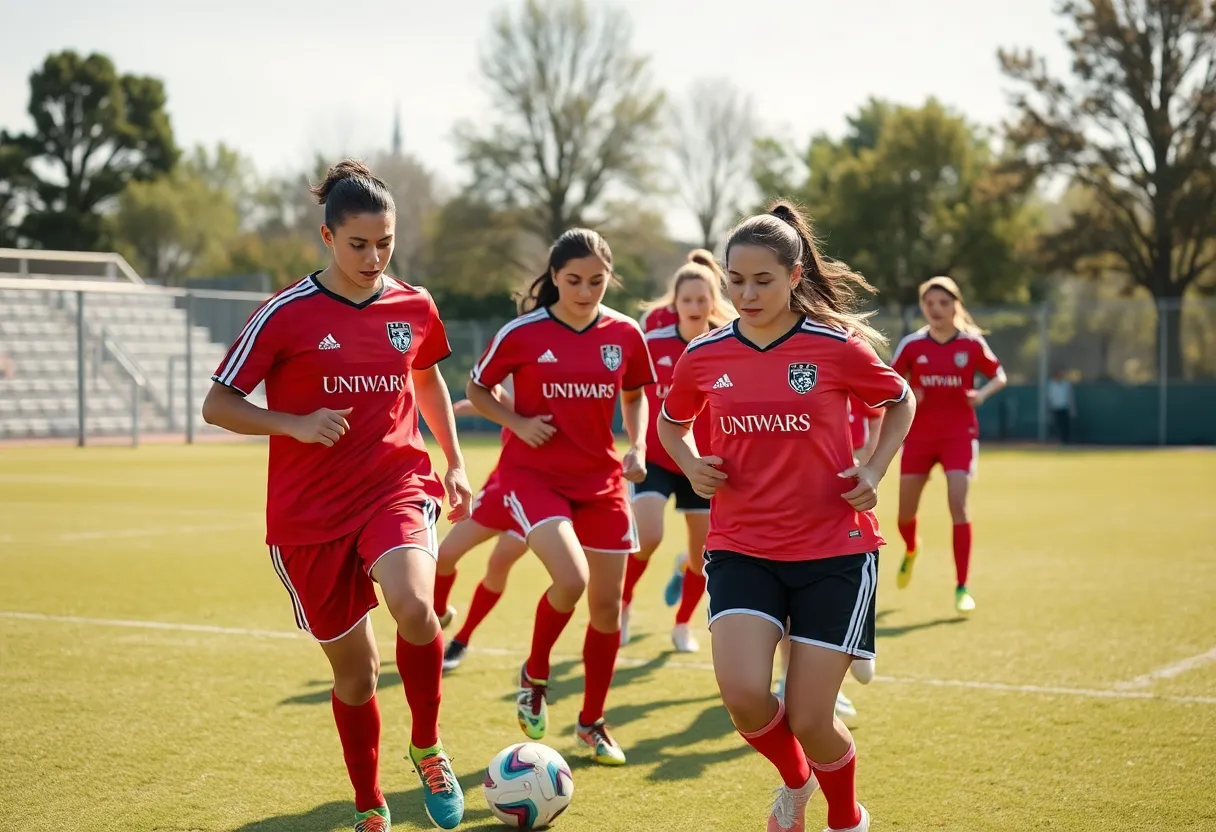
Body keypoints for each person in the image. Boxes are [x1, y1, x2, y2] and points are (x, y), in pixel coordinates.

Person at [200, 160, 471, 832]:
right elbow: (218, 404)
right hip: (308, 516)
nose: (374, 257)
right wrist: (291, 422)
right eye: (359, 244)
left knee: (415, 607)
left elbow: (430, 381)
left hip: (394, 487)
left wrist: (454, 460)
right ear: (327, 236)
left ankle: (429, 747)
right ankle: (368, 803)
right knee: (357, 674)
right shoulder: (284, 314)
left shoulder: (414, 305)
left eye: (385, 243)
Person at [659, 200, 915, 832]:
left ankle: (845, 816)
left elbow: (901, 399)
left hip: (834, 550)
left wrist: (874, 469)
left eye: (762, 280)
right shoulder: (706, 354)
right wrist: (691, 465)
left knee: (809, 717)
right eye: (735, 280)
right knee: (745, 696)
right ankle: (796, 783)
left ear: (795, 275)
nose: (746, 293)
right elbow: (671, 422)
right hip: (743, 545)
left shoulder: (836, 347)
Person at [466, 228, 654, 766]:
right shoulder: (522, 332)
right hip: (534, 477)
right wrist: (516, 422)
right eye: (573, 280)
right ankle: (536, 673)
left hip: (601, 482)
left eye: (597, 281)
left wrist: (637, 445)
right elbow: (478, 388)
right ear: (553, 277)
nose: (585, 290)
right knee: (570, 579)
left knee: (606, 609)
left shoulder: (625, 332)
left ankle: (592, 723)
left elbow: (636, 394)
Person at [620, 250, 736, 653]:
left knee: (702, 553)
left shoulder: (727, 342)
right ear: (675, 303)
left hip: (703, 463)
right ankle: (622, 605)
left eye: (702, 299)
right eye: (686, 300)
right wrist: (632, 440)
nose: (694, 306)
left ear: (712, 302)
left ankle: (682, 625)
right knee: (647, 536)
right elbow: (630, 392)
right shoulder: (652, 342)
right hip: (656, 457)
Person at [890, 276, 1007, 614]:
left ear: (956, 305)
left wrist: (980, 394)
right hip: (919, 438)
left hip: (959, 436)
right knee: (904, 515)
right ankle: (912, 548)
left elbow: (999, 374)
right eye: (929, 303)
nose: (936, 309)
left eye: (943, 303)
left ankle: (961, 586)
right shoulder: (912, 345)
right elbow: (890, 382)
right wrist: (911, 392)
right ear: (923, 308)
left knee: (958, 503)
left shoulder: (971, 345)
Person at [773, 394, 885, 719]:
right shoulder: (799, 384)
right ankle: (789, 678)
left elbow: (880, 416)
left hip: (847, 512)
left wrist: (868, 464)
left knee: (863, 667)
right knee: (792, 602)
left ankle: (839, 668)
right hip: (798, 510)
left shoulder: (856, 376)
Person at [432, 389, 531, 672]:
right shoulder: (528, 366)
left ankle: (461, 640)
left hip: (540, 496)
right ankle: (439, 613)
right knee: (444, 554)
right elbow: (499, 401)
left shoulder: (568, 388)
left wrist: (489, 399)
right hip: (501, 489)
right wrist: (479, 402)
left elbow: (515, 406)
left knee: (499, 563)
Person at [1046, 369, 1075, 444]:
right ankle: (1060, 440)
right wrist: (1049, 407)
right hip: (1056, 408)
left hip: (1065, 407)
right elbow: (1050, 397)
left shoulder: (1066, 384)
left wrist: (1072, 408)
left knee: (1066, 425)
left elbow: (1070, 397)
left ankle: (1066, 441)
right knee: (1059, 425)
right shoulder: (1051, 384)